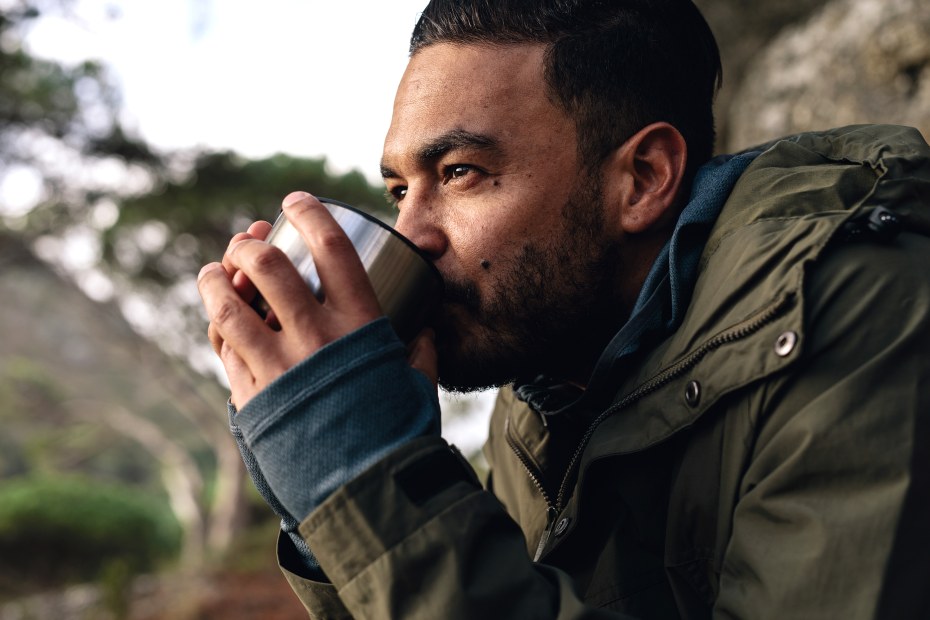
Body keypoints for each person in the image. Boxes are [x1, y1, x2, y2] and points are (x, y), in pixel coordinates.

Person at [197, 0, 930, 617]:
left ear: (642, 179)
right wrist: (326, 508)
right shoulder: (541, 385)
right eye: (398, 190)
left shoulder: (861, 309)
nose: (413, 234)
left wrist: (364, 478)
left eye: (460, 173)